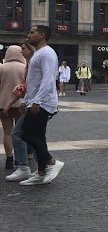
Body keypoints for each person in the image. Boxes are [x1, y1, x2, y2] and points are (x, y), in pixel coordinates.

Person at [19, 26, 63, 185]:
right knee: (39, 135)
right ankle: (41, 171)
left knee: (26, 134)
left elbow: (48, 79)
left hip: (42, 102)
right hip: (36, 100)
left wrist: (37, 100)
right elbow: (33, 81)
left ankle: (51, 162)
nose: (28, 35)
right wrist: (26, 100)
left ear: (42, 35)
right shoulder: (39, 53)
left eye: (32, 32)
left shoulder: (47, 53)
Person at [0, 44, 27, 175]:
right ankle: (22, 158)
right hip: (21, 104)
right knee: (20, 132)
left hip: (3, 104)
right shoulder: (25, 67)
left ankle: (9, 159)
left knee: (7, 132)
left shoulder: (1, 68)